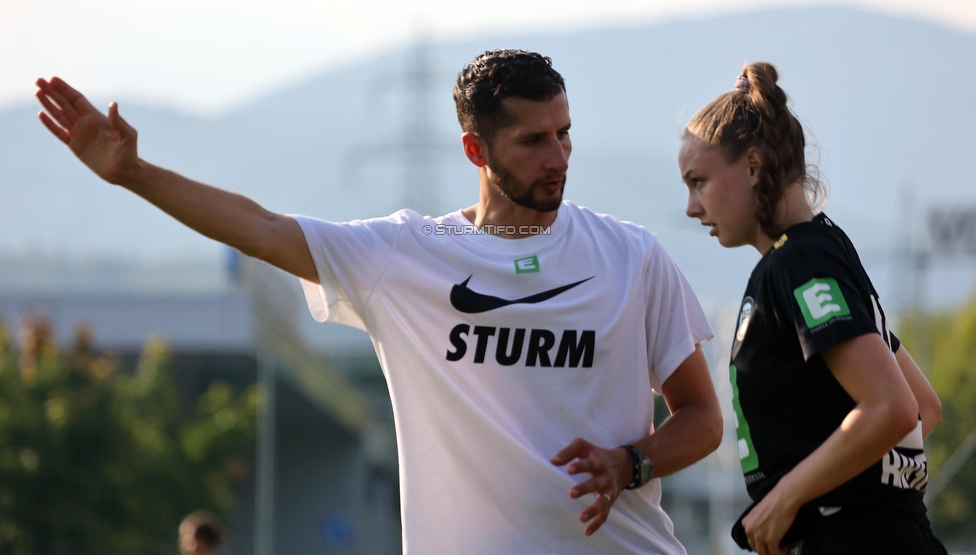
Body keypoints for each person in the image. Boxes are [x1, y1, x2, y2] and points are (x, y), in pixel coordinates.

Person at [36, 49, 722, 554]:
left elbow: (701, 418)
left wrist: (632, 461)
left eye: (565, 132)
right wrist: (132, 174)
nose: (559, 155)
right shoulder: (406, 255)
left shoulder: (632, 256)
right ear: (475, 147)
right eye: (534, 139)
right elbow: (263, 229)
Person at [677, 62, 946, 555]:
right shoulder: (820, 249)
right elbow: (921, 407)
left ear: (753, 167)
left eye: (699, 182)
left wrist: (788, 500)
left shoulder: (797, 262)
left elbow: (893, 407)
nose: (692, 207)